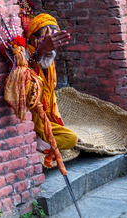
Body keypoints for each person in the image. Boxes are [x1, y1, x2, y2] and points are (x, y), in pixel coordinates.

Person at [25, 13, 79, 151]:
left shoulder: (49, 62)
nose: (51, 50)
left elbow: (51, 99)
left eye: (53, 44)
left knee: (71, 138)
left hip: (44, 120)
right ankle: (34, 138)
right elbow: (25, 72)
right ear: (32, 39)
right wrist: (41, 50)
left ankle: (43, 140)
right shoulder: (24, 53)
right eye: (46, 42)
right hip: (27, 118)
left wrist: (60, 127)